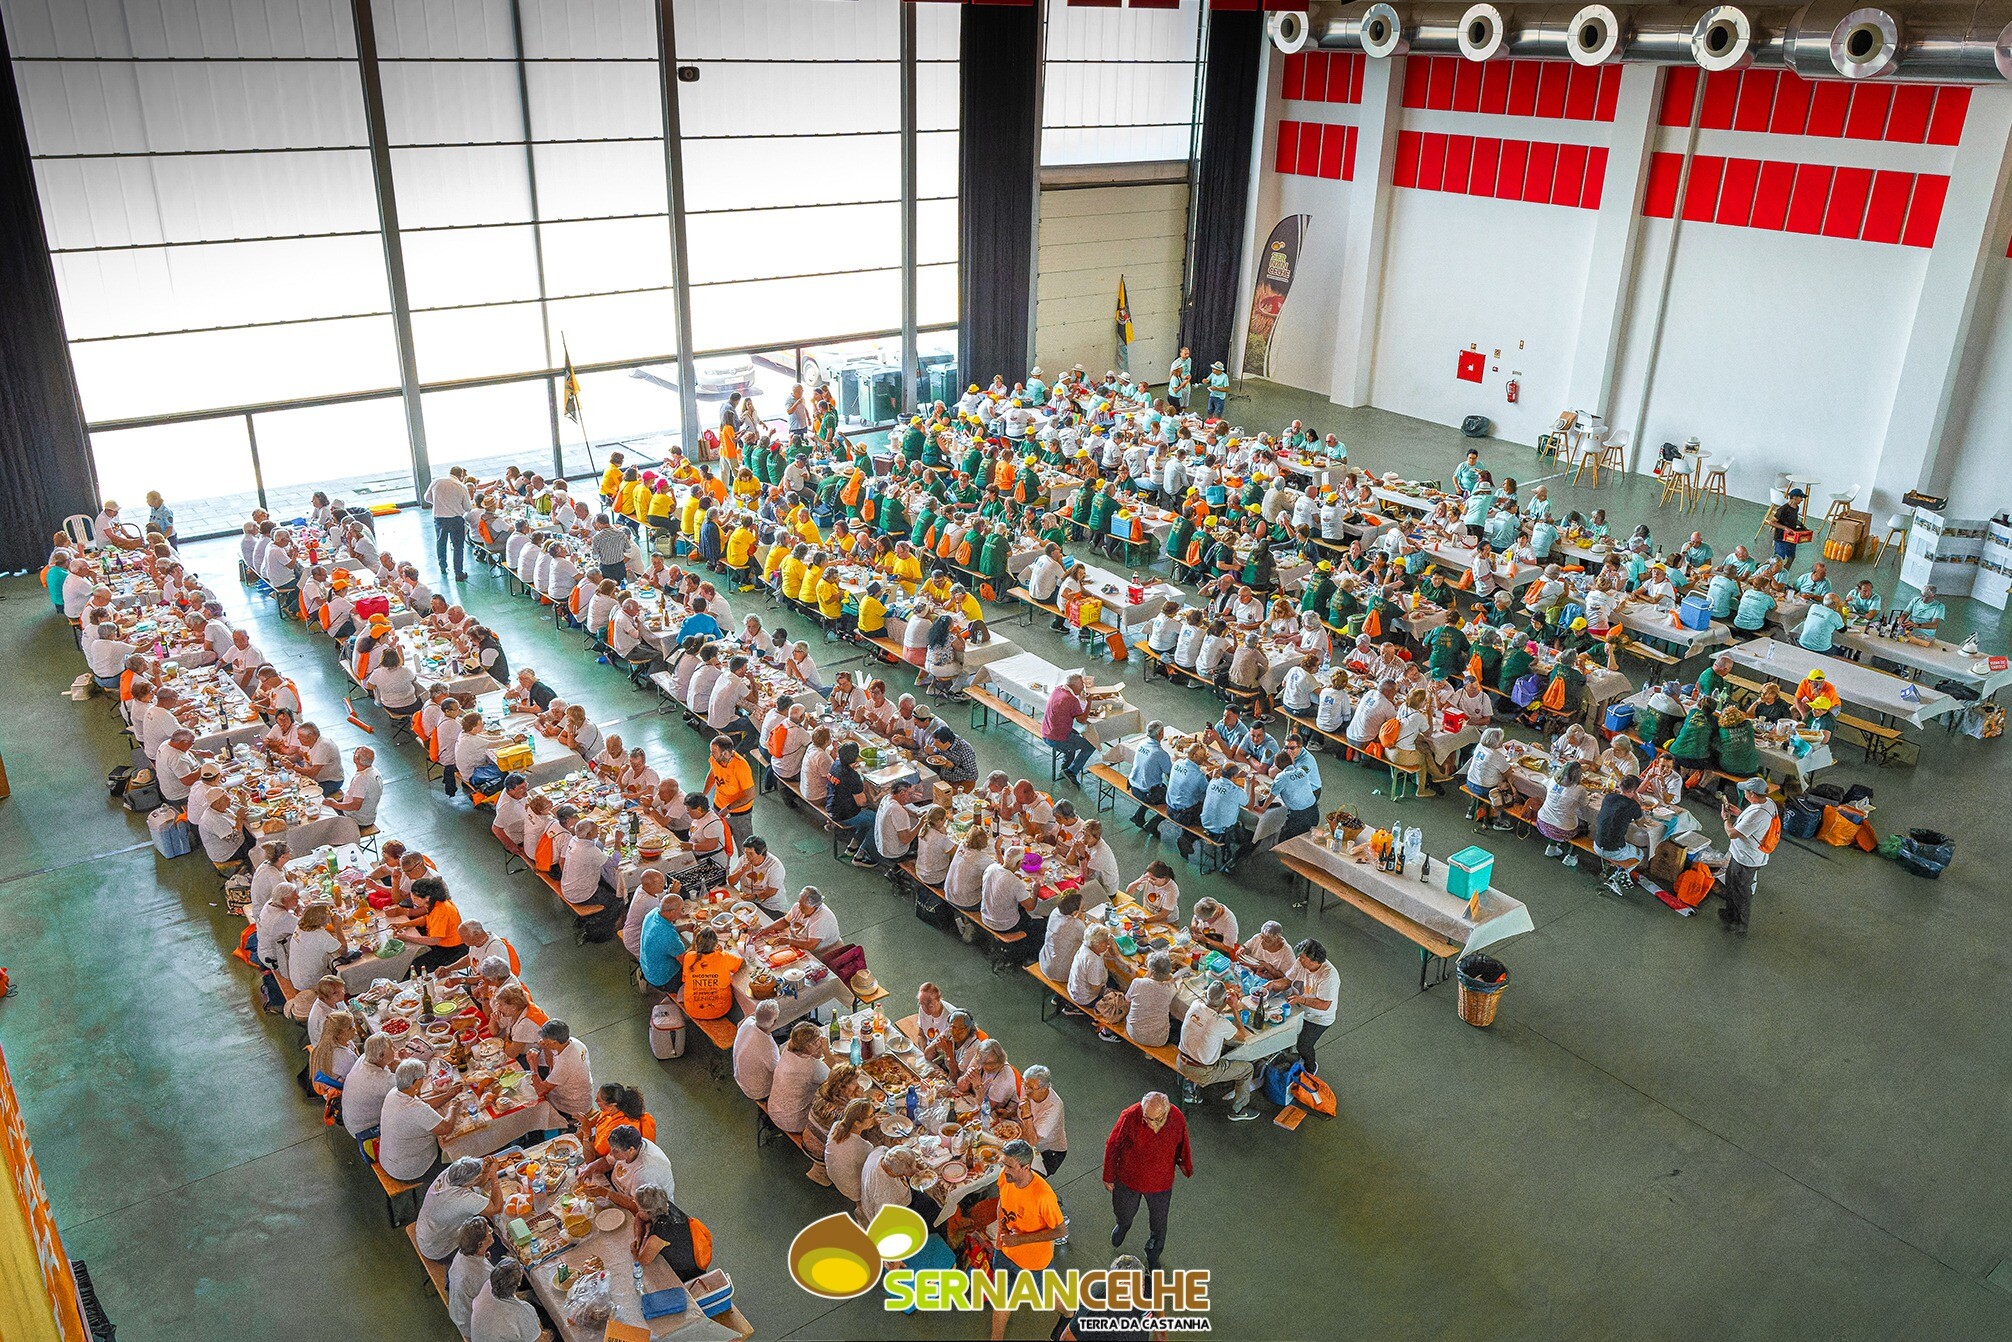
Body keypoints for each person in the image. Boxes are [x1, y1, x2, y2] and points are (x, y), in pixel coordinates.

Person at [1103, 1092, 1193, 1271]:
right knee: (1124, 1212)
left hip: (1160, 1182)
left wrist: (1185, 1166)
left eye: (1154, 1119)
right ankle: (1122, 1225)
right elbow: (1113, 1145)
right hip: (1129, 1178)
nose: (1149, 1123)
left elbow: (1183, 1145)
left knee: (1159, 1224)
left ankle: (1153, 1253)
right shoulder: (1130, 1116)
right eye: (1146, 1117)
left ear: (1165, 1113)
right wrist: (1109, 1175)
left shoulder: (1177, 1118)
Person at [988, 1140, 1067, 1340]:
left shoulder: (1043, 1196)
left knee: (1045, 1296)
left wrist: (1020, 1240)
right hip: (1005, 1253)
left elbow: (1060, 1230)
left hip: (1034, 1264)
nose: (1004, 1170)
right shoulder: (1006, 1177)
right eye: (1003, 1164)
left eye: (1010, 1166)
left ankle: (1070, 1314)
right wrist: (1000, 1237)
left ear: (1026, 1167)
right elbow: (1002, 1203)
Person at [1175, 980, 1258, 1119]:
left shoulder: (1195, 1004)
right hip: (1203, 1071)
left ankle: (1190, 1086)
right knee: (1247, 1069)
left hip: (1181, 1060)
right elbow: (1242, 1036)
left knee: (1211, 1043)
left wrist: (1223, 1002)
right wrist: (1234, 1008)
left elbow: (1211, 1008)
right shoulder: (1220, 1023)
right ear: (1223, 1000)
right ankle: (1239, 1109)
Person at [378, 1058, 455, 1182]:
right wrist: (453, 1108)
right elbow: (446, 1128)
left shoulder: (394, 1092)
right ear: (415, 1082)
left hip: (390, 1160)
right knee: (456, 1159)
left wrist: (449, 1095)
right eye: (422, 1078)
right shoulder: (415, 1108)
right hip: (409, 1169)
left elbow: (422, 1102)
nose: (424, 1080)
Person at [1719, 775, 1777, 935]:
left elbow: (1732, 833)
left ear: (1752, 794)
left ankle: (1740, 925)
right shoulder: (1768, 802)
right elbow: (1752, 822)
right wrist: (1739, 813)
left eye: (1745, 791)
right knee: (1731, 885)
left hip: (1746, 860)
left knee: (1741, 893)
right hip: (1743, 855)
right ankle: (1731, 914)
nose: (1744, 793)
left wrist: (1726, 819)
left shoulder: (1757, 814)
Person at [413, 1157, 502, 1260]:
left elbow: (475, 1177)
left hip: (426, 1230)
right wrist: (494, 1176)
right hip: (437, 1247)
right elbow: (496, 1208)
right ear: (470, 1182)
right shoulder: (460, 1198)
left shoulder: (452, 1171)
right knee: (491, 1238)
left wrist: (484, 1166)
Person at [581, 1123, 677, 1213]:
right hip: (618, 1190)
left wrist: (605, 1193)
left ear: (631, 1150)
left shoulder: (644, 1173)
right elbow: (608, 1162)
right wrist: (590, 1168)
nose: (611, 1153)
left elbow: (637, 1207)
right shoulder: (631, 1145)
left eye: (615, 1151)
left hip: (647, 1208)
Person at [768, 1022, 832, 1135]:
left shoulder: (788, 1049)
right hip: (795, 1121)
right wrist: (827, 1053)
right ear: (806, 1046)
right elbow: (834, 1077)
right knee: (834, 1095)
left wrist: (817, 1053)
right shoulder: (811, 1066)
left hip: (774, 1110)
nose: (820, 1042)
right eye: (816, 1041)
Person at [530, 1019, 595, 1123]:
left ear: (553, 1042)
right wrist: (546, 1048)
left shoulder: (565, 1062)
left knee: (532, 1104)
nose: (542, 1040)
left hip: (572, 1106)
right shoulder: (574, 1042)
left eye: (545, 1039)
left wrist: (533, 1065)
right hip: (583, 1095)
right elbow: (551, 1065)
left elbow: (540, 1091)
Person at [1042, 672, 1097, 785]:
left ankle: (1065, 766)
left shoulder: (1058, 689)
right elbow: (1082, 719)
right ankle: (1071, 771)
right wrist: (1089, 702)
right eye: (1081, 684)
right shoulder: (1070, 699)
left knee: (1076, 736)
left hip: (1047, 730)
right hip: (1057, 737)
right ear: (1074, 686)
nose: (1083, 687)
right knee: (1091, 746)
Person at [468, 1261, 540, 1342]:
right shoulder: (522, 1311)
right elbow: (538, 1339)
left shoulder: (487, 1285)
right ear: (519, 1282)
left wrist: (526, 1295)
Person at [423, 466, 473, 579]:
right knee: (458, 546)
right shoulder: (461, 486)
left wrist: (438, 503)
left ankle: (443, 566)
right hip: (456, 519)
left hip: (439, 517)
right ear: (460, 475)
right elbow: (468, 507)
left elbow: (427, 498)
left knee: (441, 543)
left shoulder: (436, 482)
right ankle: (458, 572)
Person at [446, 1218, 493, 1335]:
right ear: (480, 1244)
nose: (491, 1231)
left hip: (458, 1311)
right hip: (473, 1325)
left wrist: (483, 1256)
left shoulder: (462, 1252)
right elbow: (497, 1299)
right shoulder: (483, 1275)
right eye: (489, 1231)